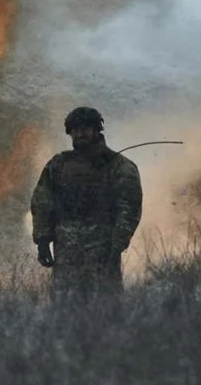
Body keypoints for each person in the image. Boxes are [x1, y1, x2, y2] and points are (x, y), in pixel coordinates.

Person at [30, 106, 143, 299]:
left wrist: (117, 245)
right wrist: (42, 240)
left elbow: (129, 207)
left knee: (105, 306)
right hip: (66, 249)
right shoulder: (58, 165)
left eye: (85, 129)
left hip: (102, 249)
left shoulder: (119, 166)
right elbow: (42, 202)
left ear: (96, 130)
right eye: (75, 130)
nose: (79, 134)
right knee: (65, 305)